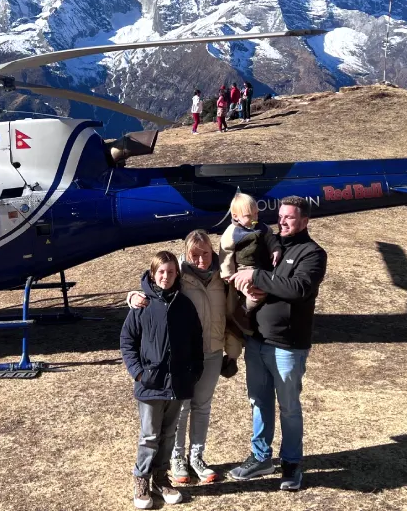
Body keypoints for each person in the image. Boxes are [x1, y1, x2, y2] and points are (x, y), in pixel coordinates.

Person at [227, 195, 327, 492]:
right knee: (259, 402)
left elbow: (299, 288)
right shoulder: (270, 244)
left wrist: (257, 276)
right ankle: (261, 458)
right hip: (256, 340)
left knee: (289, 407)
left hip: (287, 346)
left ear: (305, 220)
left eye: (289, 217)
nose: (282, 222)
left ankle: (292, 463)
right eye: (280, 216)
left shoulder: (313, 253)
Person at [127, 231, 236, 485]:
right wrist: (131, 296)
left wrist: (232, 350)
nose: (201, 260)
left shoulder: (224, 276)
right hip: (182, 356)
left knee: (202, 407)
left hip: (212, 352)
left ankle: (197, 456)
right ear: (186, 255)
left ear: (213, 251)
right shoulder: (179, 276)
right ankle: (177, 458)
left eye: (205, 253)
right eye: (194, 255)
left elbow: (233, 313)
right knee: (181, 408)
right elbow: (154, 287)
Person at [121, 251, 204, 508]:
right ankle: (141, 478)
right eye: (161, 272)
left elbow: (196, 341)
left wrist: (194, 372)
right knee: (149, 435)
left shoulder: (185, 305)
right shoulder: (142, 305)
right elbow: (127, 341)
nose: (165, 277)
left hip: (178, 383)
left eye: (170, 272)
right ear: (152, 273)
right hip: (150, 383)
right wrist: (139, 373)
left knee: (169, 434)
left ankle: (160, 477)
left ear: (177, 274)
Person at [219, 193, 282, 374]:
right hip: (242, 271)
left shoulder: (262, 227)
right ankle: (243, 314)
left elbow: (271, 238)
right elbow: (225, 254)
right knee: (255, 293)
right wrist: (228, 275)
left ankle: (249, 315)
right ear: (236, 216)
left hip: (262, 269)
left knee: (266, 291)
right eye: (249, 216)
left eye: (256, 214)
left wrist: (276, 249)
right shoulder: (232, 233)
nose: (254, 218)